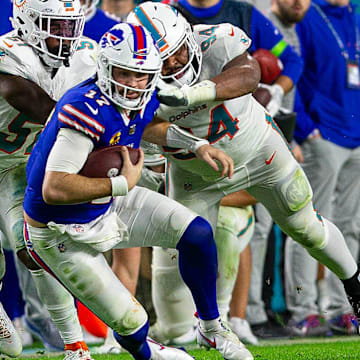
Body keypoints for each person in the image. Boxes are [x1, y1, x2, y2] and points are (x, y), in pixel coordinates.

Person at [128, 2, 360, 351]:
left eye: (177, 52)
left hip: (259, 150)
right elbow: (142, 124)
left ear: (187, 38)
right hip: (195, 174)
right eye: (163, 59)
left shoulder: (215, 39)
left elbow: (249, 74)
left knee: (307, 227)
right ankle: (201, 328)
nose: (174, 63)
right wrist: (186, 144)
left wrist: (195, 94)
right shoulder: (132, 76)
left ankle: (355, 285)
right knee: (176, 294)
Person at [22, 22, 254, 360]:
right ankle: (149, 353)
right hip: (58, 229)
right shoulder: (86, 108)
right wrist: (122, 183)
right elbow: (54, 187)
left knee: (198, 234)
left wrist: (197, 145)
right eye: (124, 73)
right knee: (134, 326)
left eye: (141, 75)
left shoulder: (143, 93)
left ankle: (212, 328)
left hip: (106, 202)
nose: (133, 84)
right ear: (105, 68)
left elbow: (148, 123)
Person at [0, 0, 99, 357]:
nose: (65, 36)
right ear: (27, 22)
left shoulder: (86, 55)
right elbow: (25, 97)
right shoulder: (8, 52)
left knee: (34, 247)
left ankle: (74, 346)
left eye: (69, 26)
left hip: (16, 166)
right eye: (54, 26)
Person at [285, 0, 360, 336]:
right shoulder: (307, 14)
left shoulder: (356, 15)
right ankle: (303, 311)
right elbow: (292, 72)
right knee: (307, 224)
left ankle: (342, 308)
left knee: (351, 225)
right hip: (323, 135)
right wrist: (305, 129)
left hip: (356, 135)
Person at [246, 0, 311, 339]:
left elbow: (292, 59)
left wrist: (275, 88)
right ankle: (247, 312)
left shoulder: (258, 22)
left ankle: (259, 310)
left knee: (265, 225)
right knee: (251, 227)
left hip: (269, 128)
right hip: (230, 131)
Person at [163, 0, 303, 118]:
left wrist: (277, 91)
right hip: (183, 119)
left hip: (238, 120)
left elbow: (292, 60)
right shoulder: (164, 15)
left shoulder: (245, 14)